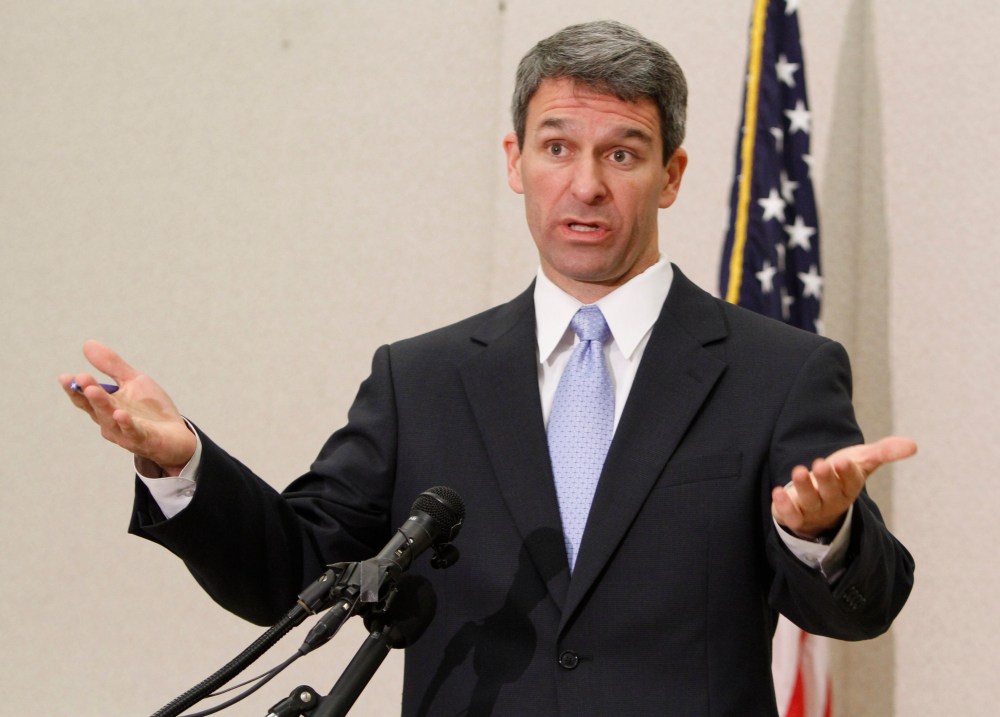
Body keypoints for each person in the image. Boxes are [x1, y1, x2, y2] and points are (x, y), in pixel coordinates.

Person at [60, 20, 915, 717]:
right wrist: (182, 465)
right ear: (515, 161)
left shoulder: (779, 371)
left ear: (671, 175)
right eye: (556, 148)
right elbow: (296, 570)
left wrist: (821, 533)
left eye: (622, 154)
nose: (585, 185)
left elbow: (860, 607)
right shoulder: (420, 380)